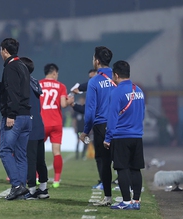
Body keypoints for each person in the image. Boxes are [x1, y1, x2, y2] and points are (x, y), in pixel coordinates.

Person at [0, 57, 49, 200]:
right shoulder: (34, 82)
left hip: (23, 121)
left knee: (18, 155)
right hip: (37, 124)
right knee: (36, 159)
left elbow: (10, 102)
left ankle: (24, 188)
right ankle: (41, 189)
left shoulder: (21, 84)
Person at [0, 38, 32, 200]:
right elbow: (11, 90)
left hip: (15, 116)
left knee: (5, 150)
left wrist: (11, 114)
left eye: (0, 50)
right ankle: (21, 190)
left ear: (4, 50)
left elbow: (13, 93)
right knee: (21, 155)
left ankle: (16, 185)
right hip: (26, 116)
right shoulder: (22, 66)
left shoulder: (11, 67)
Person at [104, 60, 145, 210]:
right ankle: (136, 201)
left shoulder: (116, 92)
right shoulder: (139, 90)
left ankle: (126, 202)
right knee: (136, 169)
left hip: (121, 136)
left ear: (115, 75)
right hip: (137, 135)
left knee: (122, 168)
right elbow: (142, 114)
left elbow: (112, 117)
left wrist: (108, 138)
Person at [79, 46, 115, 206]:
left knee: (103, 161)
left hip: (102, 125)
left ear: (97, 61)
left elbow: (90, 110)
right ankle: (131, 199)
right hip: (120, 124)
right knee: (122, 161)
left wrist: (85, 131)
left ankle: (107, 197)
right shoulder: (118, 76)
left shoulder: (94, 81)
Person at [39, 63, 71, 188]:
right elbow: (63, 104)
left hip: (42, 122)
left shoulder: (39, 84)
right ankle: (56, 180)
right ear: (53, 73)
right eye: (57, 73)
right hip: (56, 123)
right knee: (56, 152)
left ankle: (37, 177)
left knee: (37, 151)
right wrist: (70, 101)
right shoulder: (61, 86)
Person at [71, 96, 88, 160]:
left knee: (86, 141)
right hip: (79, 129)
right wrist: (74, 127)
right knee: (78, 141)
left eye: (83, 99)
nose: (82, 101)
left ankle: (83, 155)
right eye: (81, 99)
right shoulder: (77, 109)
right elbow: (74, 119)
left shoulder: (86, 108)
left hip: (85, 129)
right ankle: (77, 155)